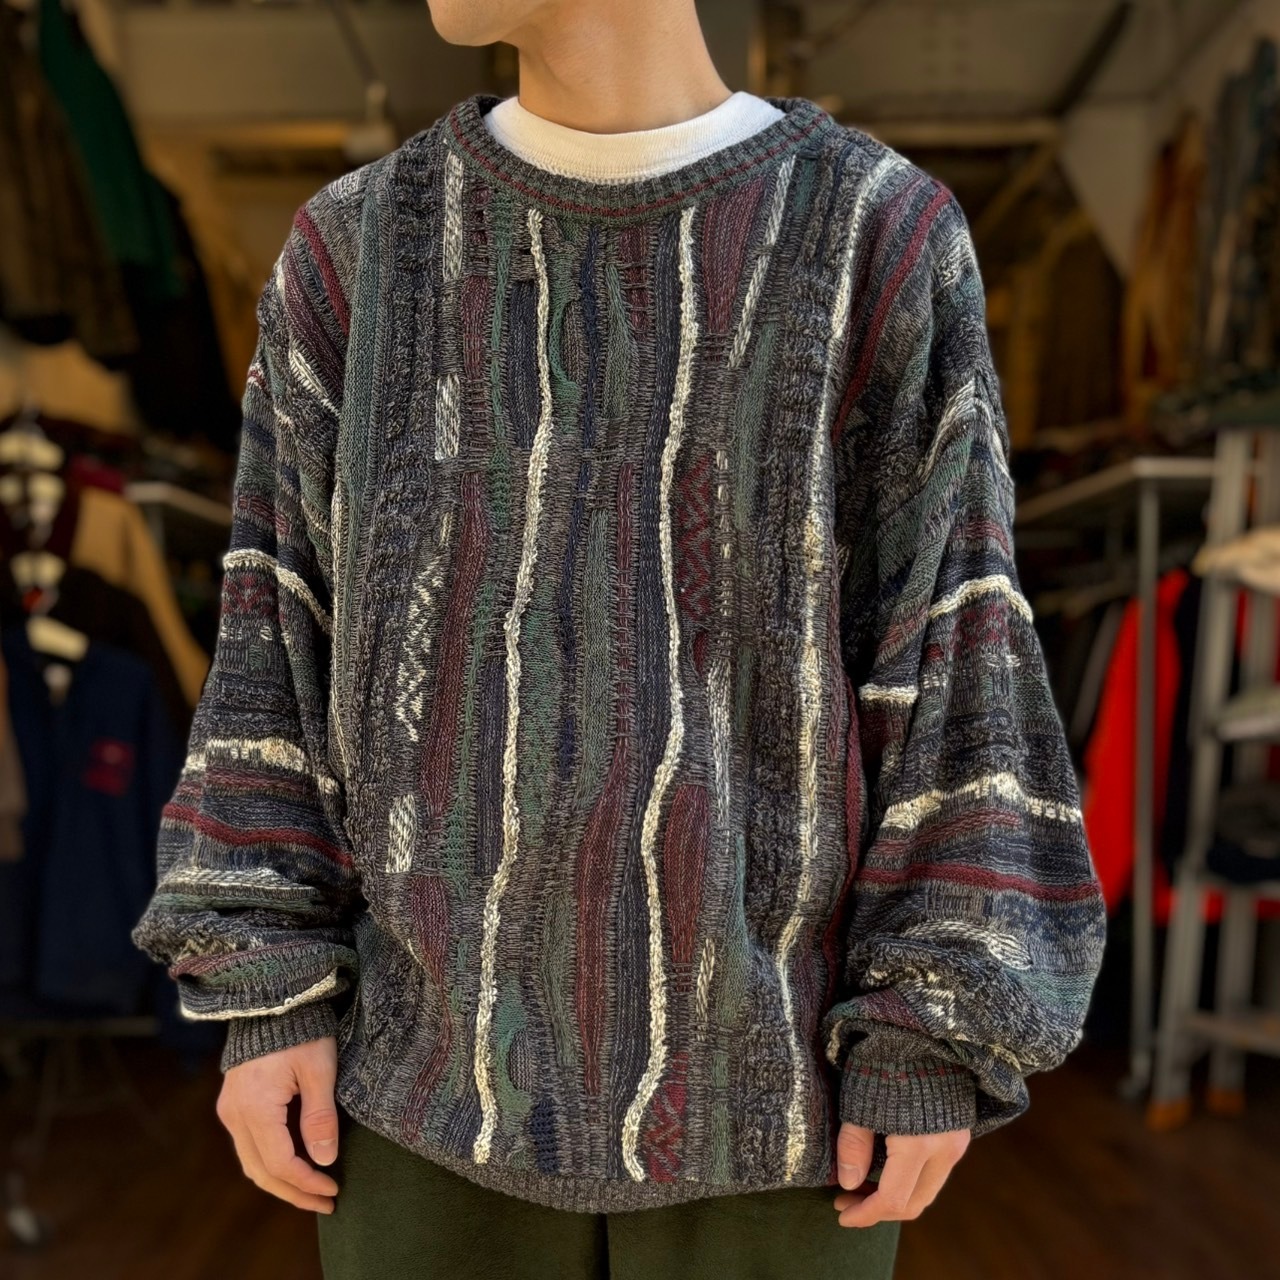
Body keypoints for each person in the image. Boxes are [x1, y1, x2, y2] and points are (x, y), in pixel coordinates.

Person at [131, 1, 1109, 1276]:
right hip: (416, 1096)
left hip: (781, 1110)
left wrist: (931, 1019)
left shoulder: (874, 232)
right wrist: (265, 977)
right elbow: (274, 629)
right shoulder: (357, 251)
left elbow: (958, 645)